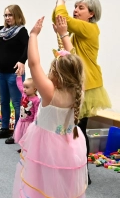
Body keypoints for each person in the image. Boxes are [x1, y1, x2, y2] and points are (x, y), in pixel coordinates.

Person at [12, 16, 87, 198]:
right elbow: (75, 62)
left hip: (45, 146)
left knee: (42, 182)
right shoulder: (79, 89)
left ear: (56, 74)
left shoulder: (50, 92)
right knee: (63, 184)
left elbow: (33, 63)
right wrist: (64, 34)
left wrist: (34, 35)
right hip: (71, 146)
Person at [53, 0, 111, 185]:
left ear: (91, 13)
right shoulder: (79, 29)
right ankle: (73, 167)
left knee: (77, 130)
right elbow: (59, 17)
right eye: (75, 7)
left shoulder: (90, 28)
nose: (76, 10)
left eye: (81, 8)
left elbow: (62, 18)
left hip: (87, 85)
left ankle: (82, 171)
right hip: (77, 83)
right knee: (70, 128)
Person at [0, 0, 29, 144]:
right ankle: (5, 128)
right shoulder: (3, 31)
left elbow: (28, 48)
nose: (8, 18)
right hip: (2, 73)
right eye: (5, 15)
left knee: (17, 104)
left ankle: (17, 132)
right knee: (3, 102)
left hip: (14, 74)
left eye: (10, 15)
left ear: (17, 16)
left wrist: (22, 61)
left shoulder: (21, 31)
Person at [13, 76, 40, 152]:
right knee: (21, 134)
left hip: (29, 122)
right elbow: (19, 85)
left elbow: (36, 111)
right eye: (24, 87)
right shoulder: (24, 95)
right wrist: (18, 76)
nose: (24, 89)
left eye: (27, 87)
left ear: (34, 89)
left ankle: (27, 149)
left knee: (27, 136)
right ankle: (23, 147)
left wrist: (34, 122)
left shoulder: (36, 100)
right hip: (22, 120)